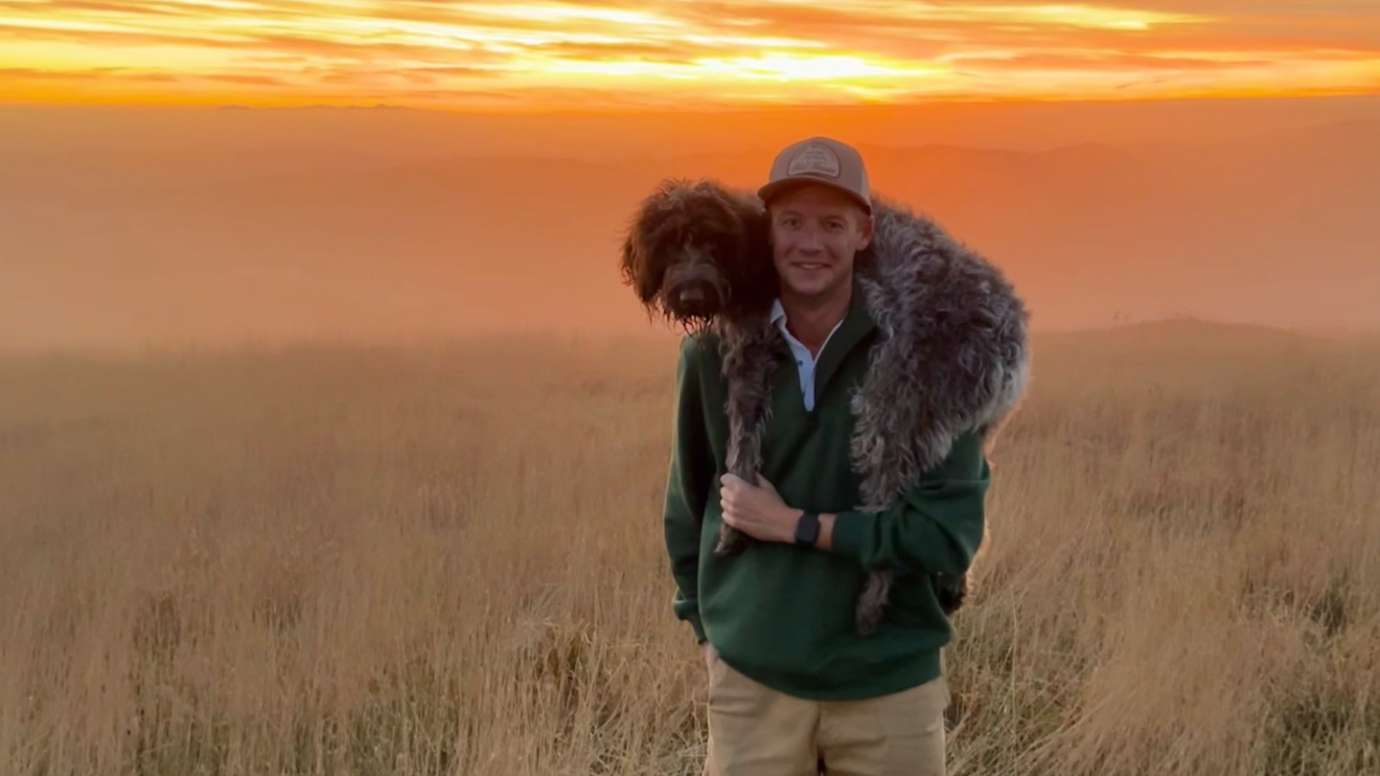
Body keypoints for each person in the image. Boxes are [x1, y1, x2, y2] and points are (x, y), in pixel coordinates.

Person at [662, 136, 997, 776]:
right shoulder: (713, 354)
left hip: (888, 686)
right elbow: (690, 504)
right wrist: (714, 635)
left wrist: (795, 526)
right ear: (767, 233)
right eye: (791, 223)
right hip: (753, 686)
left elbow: (945, 538)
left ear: (865, 231)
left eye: (832, 224)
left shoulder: (927, 357)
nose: (809, 243)